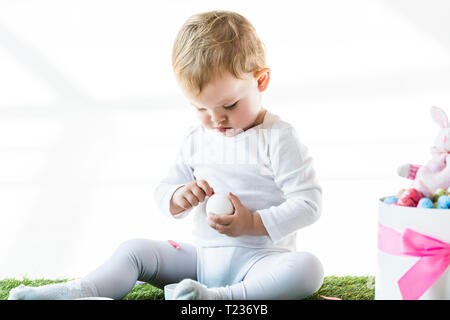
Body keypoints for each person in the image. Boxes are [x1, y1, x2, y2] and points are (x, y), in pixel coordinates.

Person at [8, 10, 323, 300]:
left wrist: (253, 223)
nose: (216, 120)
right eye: (200, 108)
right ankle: (82, 290)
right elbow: (164, 191)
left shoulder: (278, 137)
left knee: (308, 268)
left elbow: (308, 204)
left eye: (229, 105)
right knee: (134, 250)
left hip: (261, 262)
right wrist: (178, 196)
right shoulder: (196, 138)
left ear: (261, 80)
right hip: (201, 259)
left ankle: (219, 299)